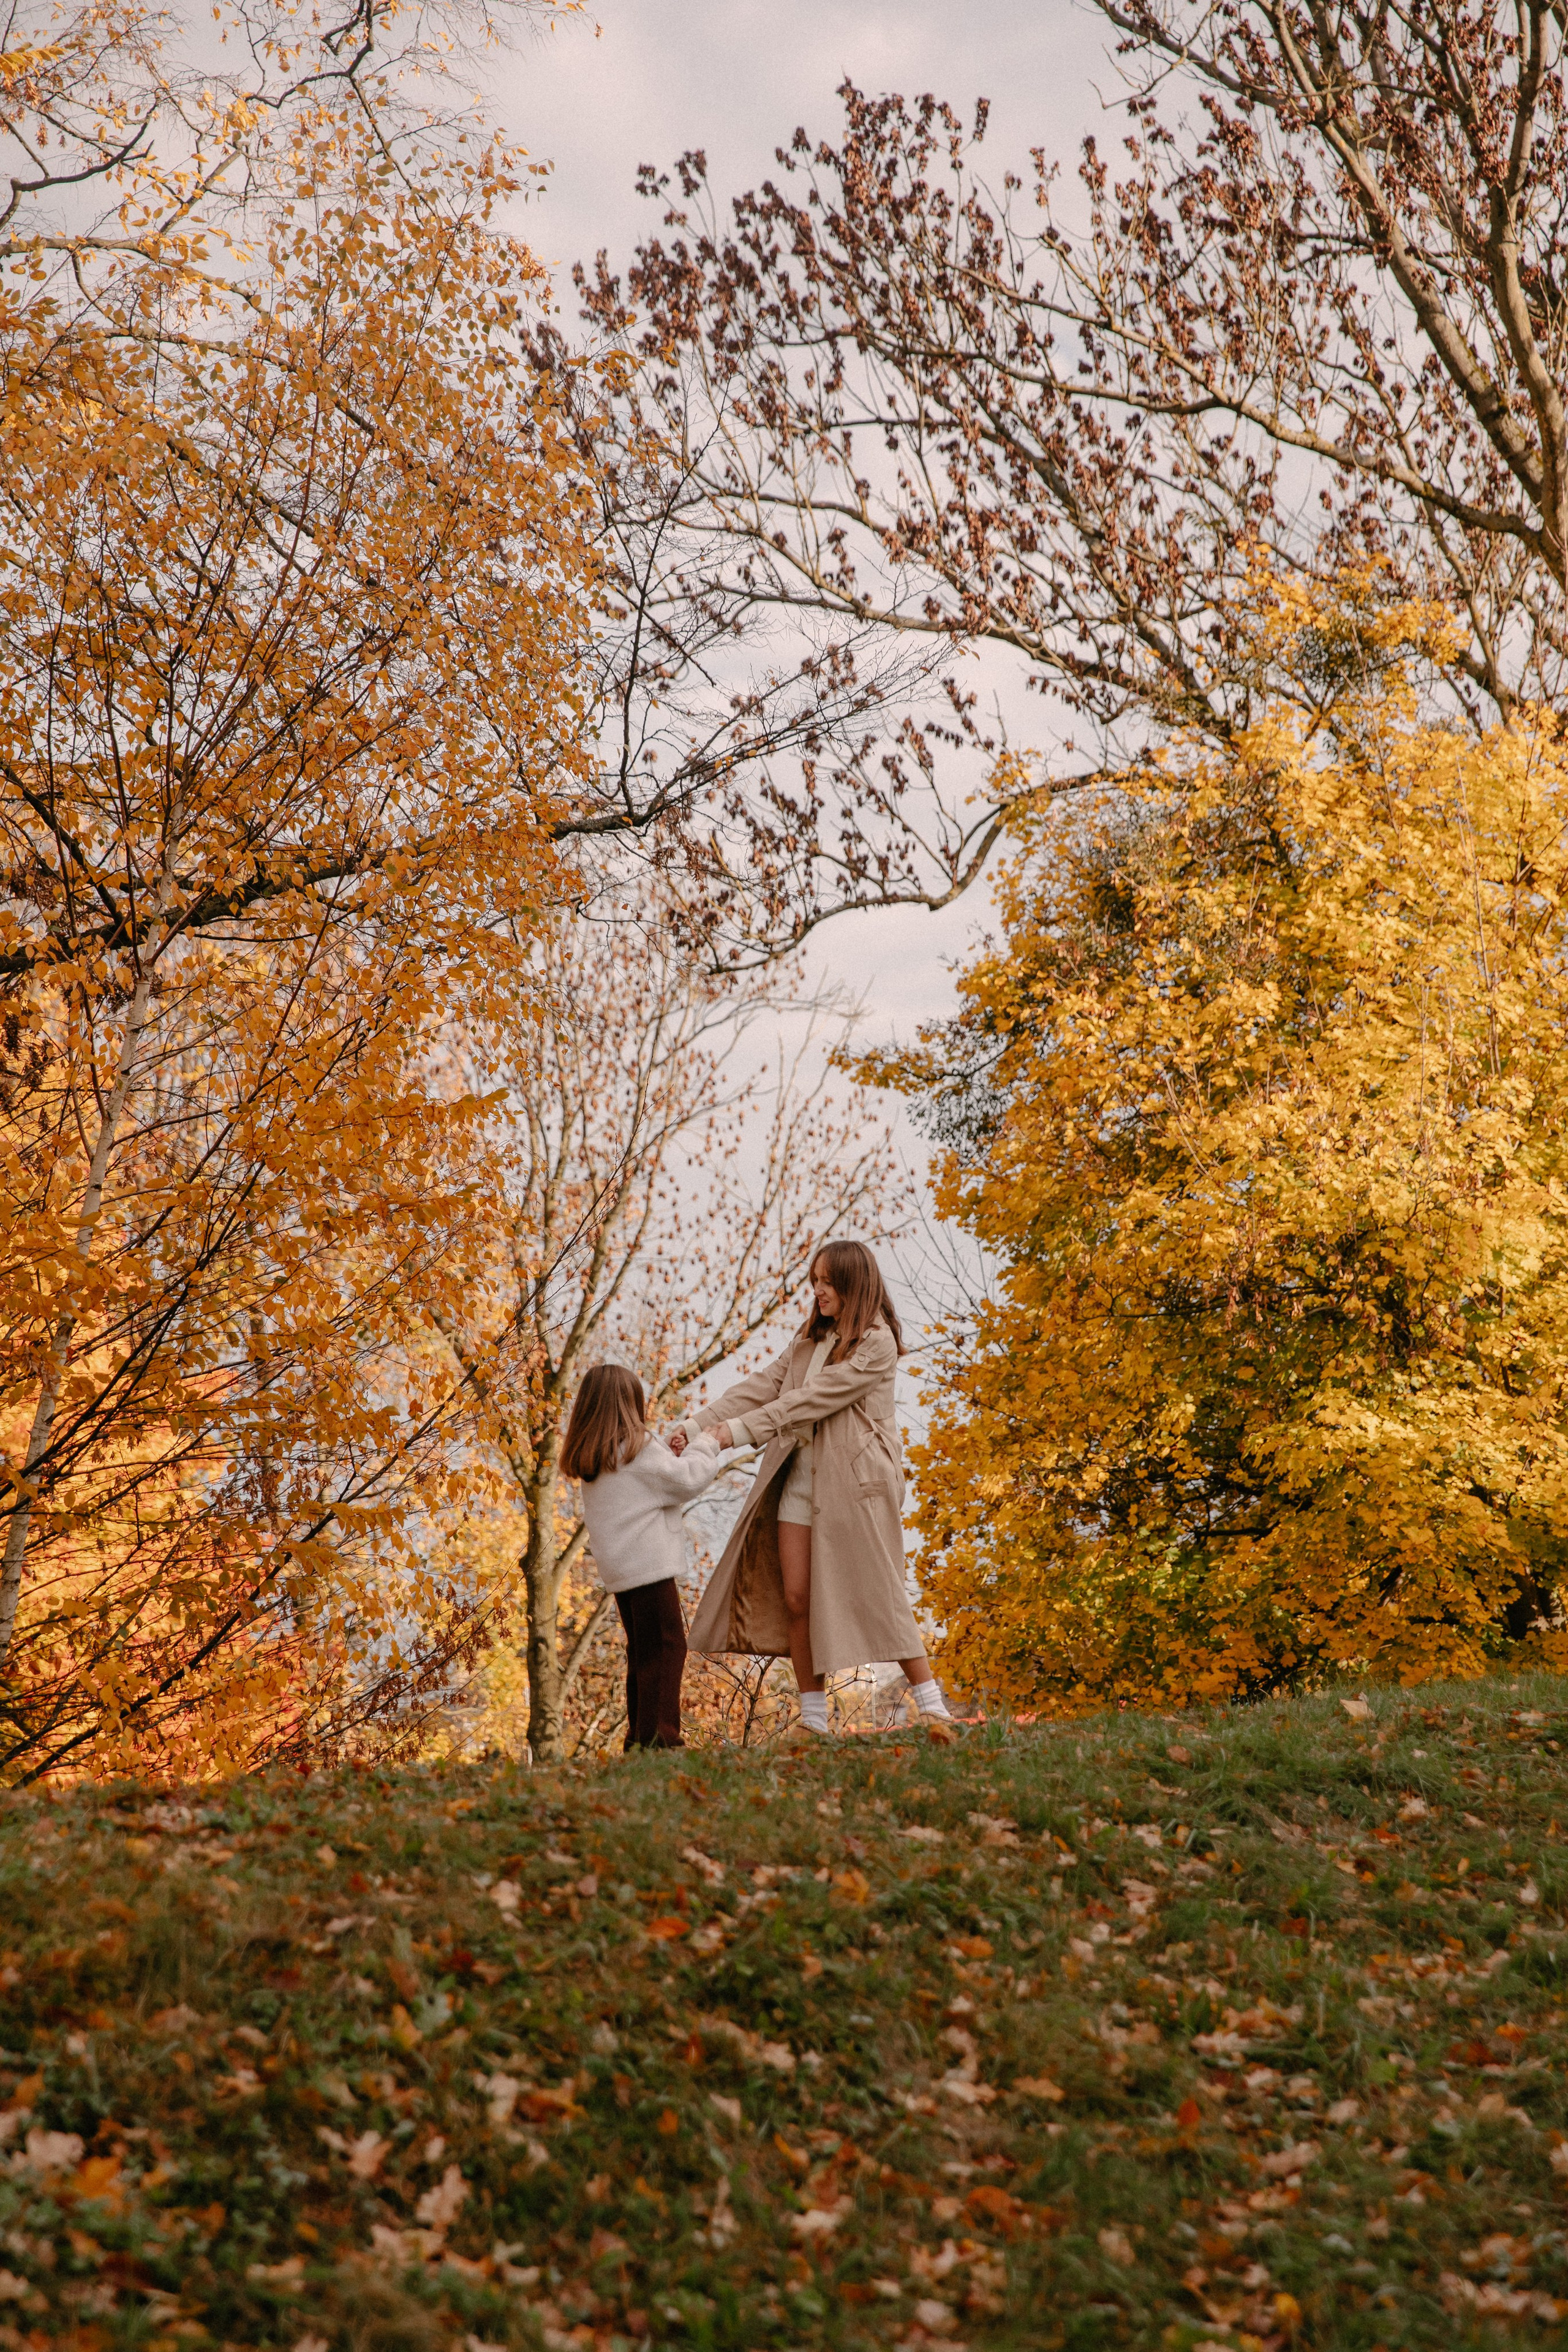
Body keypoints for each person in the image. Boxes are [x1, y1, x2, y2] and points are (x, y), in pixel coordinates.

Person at [671, 1239, 951, 1732]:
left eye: (828, 1282)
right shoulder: (808, 1341)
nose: (818, 1291)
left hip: (856, 1486)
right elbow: (761, 1387)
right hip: (799, 1482)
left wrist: (734, 1433)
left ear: (853, 1284)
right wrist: (696, 1426)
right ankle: (814, 1720)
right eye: (815, 1282)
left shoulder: (877, 1343)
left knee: (881, 1591)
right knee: (797, 1599)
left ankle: (933, 1707)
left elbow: (812, 1399)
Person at [560, 1363, 721, 1750]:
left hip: (622, 1571)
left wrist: (669, 1452)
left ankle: (640, 1736)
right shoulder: (638, 1450)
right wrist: (705, 1445)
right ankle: (659, 1737)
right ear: (630, 1405)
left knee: (643, 1651)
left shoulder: (597, 1459)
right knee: (667, 1646)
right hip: (649, 1567)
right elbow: (686, 1480)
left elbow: (652, 1481)